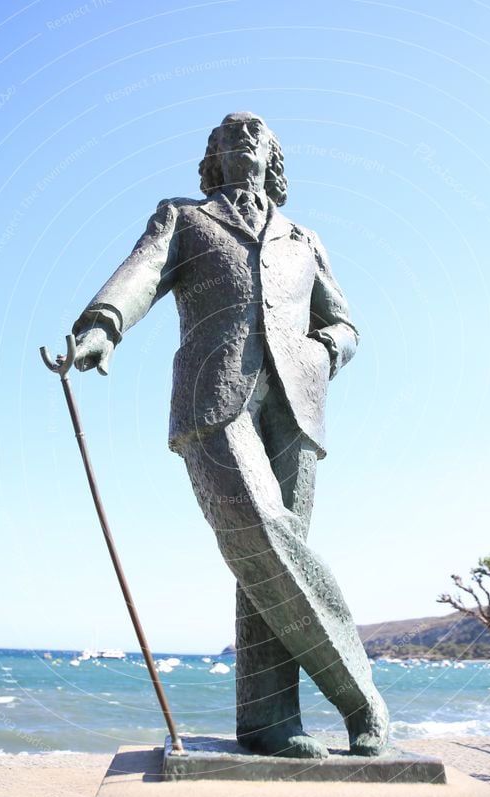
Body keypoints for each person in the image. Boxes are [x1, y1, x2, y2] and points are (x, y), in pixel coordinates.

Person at [73, 112, 388, 759]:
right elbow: (140, 273)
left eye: (256, 132)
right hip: (213, 399)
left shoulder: (304, 238)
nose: (243, 136)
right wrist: (104, 322)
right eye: (228, 133)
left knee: (265, 564)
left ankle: (268, 721)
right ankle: (361, 698)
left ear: (273, 156)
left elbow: (343, 322)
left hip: (296, 406)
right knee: (260, 535)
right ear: (212, 156)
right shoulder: (185, 218)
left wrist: (324, 353)